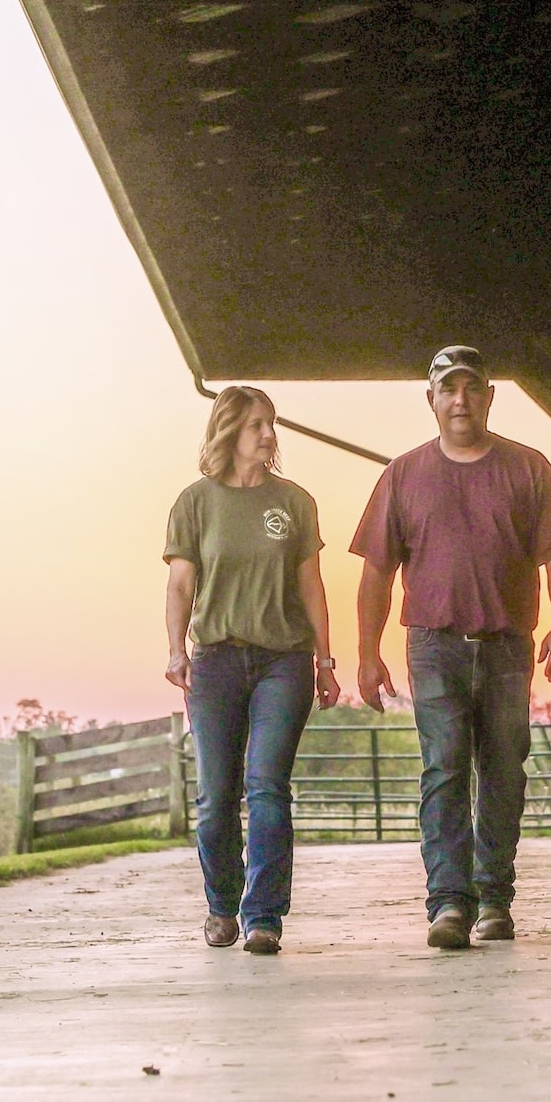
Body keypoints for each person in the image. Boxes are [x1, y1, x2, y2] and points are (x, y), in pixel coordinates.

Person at [352, 346, 551, 950]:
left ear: (488, 396)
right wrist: (368, 654)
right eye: (448, 389)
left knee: (504, 770)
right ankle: (449, 902)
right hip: (433, 644)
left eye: (471, 388)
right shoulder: (403, 474)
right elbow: (376, 571)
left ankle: (495, 900)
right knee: (445, 766)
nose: (460, 399)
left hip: (507, 645)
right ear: (431, 399)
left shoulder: (528, 468)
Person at [164, 386, 339, 953]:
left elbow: (311, 586)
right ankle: (221, 906)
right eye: (256, 425)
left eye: (272, 424)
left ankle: (264, 916)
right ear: (229, 432)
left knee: (266, 787)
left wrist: (326, 659)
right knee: (216, 797)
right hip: (214, 661)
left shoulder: (294, 502)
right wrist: (175, 650)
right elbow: (181, 585)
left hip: (282, 661)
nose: (268, 435)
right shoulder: (195, 502)